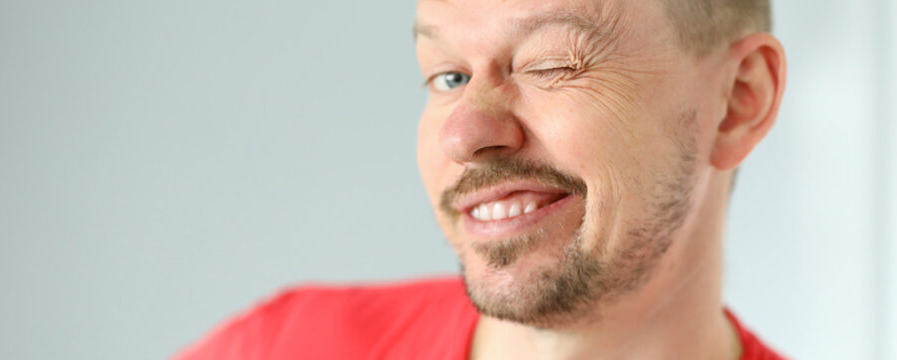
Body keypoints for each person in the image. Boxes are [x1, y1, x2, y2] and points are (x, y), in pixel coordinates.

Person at [175, 0, 787, 358]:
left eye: (549, 63)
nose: (463, 134)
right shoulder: (283, 347)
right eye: (448, 76)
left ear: (738, 100)